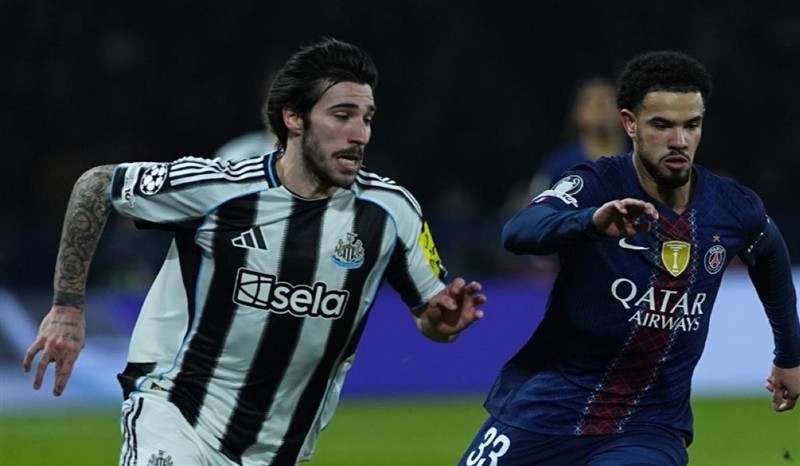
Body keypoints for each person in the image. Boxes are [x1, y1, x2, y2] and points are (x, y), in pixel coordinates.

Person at [23, 38, 487, 466]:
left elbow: (430, 315)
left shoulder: (391, 211)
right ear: (294, 118)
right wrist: (67, 308)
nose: (360, 134)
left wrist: (441, 323)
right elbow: (97, 185)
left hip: (278, 449)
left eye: (366, 118)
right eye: (342, 115)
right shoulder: (222, 189)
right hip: (174, 413)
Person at [458, 50, 800, 466]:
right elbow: (518, 231)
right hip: (545, 409)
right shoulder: (596, 183)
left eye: (691, 125)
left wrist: (789, 356)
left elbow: (769, 252)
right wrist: (590, 222)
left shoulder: (731, 206)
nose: (679, 141)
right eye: (662, 125)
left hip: (648, 426)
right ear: (630, 124)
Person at [527, 77, 628, 198]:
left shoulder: (638, 158)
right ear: (577, 113)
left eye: (607, 101)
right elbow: (536, 203)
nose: (599, 108)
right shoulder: (558, 164)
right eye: (590, 102)